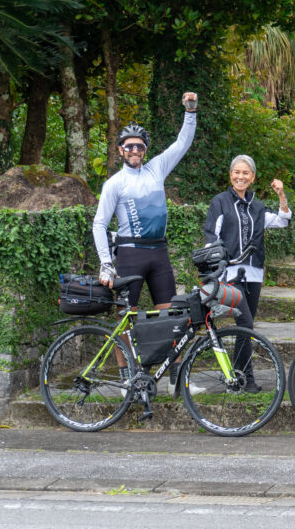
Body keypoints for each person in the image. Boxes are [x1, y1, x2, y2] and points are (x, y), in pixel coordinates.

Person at [92, 91, 198, 396]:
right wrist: (105, 263)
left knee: (173, 318)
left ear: (145, 150)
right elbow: (99, 223)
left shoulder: (157, 169)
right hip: (129, 254)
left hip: (159, 254)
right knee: (124, 321)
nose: (135, 150)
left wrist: (190, 112)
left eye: (140, 146)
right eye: (130, 147)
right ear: (121, 151)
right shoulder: (115, 183)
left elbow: (182, 144)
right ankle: (128, 378)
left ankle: (176, 379)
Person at [202, 155, 291, 393]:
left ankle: (238, 377)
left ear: (252, 177)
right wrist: (218, 265)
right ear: (230, 175)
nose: (240, 177)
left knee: (246, 327)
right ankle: (246, 378)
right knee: (246, 323)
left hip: (254, 273)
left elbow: (283, 221)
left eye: (246, 173)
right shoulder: (220, 201)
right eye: (236, 172)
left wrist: (281, 195)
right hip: (229, 273)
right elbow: (212, 237)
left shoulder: (257, 205)